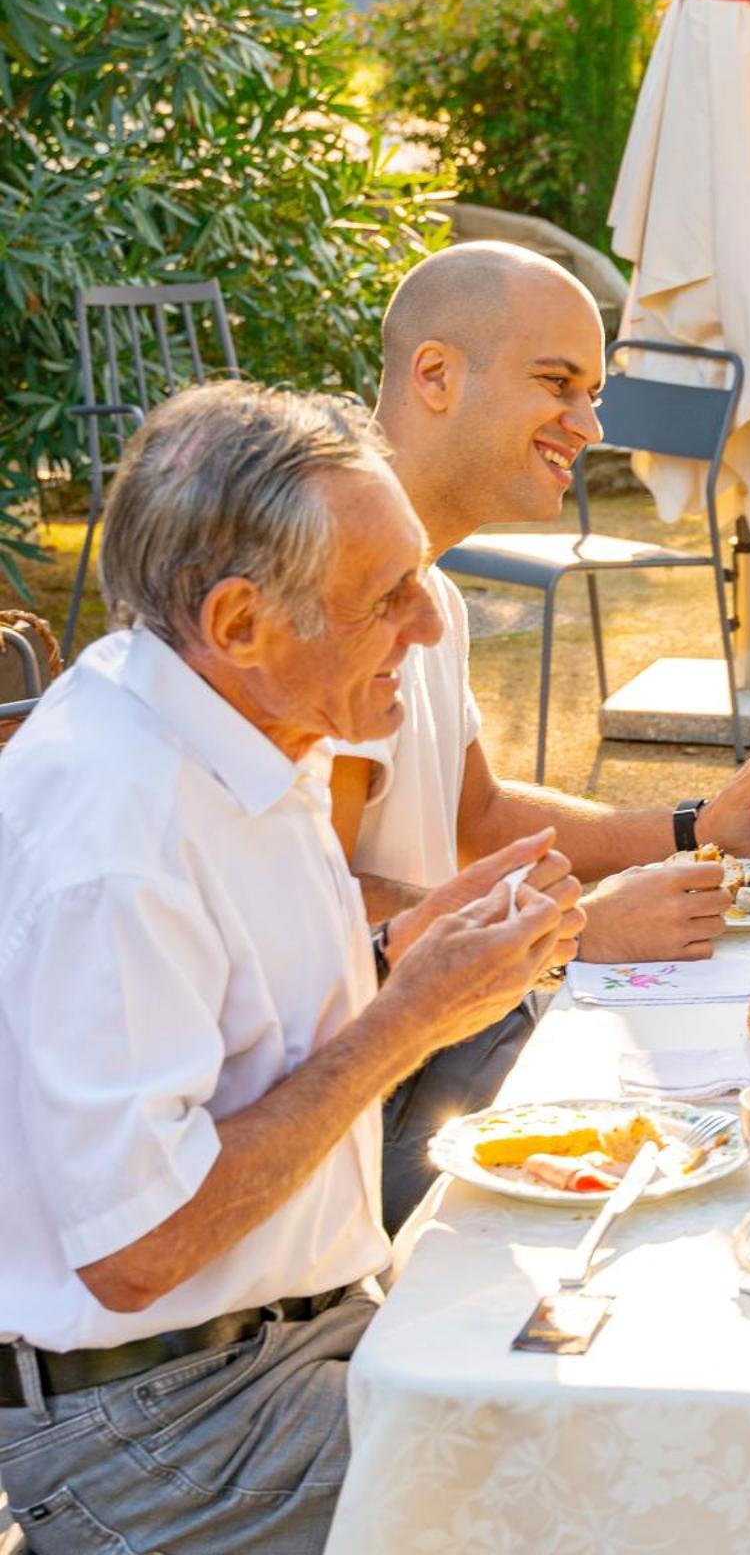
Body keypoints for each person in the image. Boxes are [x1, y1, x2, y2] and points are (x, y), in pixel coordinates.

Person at [0, 383, 583, 1553]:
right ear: (237, 620)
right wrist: (406, 1022)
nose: (426, 626)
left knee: (626, 1359)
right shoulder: (115, 833)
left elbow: (223, 1018)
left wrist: (391, 956)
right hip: (156, 1421)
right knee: (610, 1473)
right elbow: (135, 1248)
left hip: (279, 1344)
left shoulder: (228, 720)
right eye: (386, 596)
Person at [327, 242, 750, 1226]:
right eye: (558, 383)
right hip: (360, 1108)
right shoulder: (332, 594)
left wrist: (689, 826)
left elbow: (480, 813)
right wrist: (574, 932)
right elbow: (311, 903)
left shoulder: (437, 596)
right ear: (434, 375)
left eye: (593, 392)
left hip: (440, 1044)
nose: (589, 425)